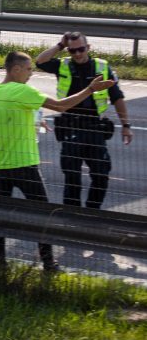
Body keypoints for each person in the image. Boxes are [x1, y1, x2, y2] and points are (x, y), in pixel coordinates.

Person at [0, 51, 115, 272]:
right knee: (43, 215)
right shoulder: (22, 90)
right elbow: (61, 106)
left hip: (1, 166)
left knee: (0, 217)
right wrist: (90, 89)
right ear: (16, 70)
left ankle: (0, 263)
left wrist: (8, 126)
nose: (32, 74)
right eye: (29, 69)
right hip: (25, 165)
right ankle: (49, 264)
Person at [35, 31, 132, 209]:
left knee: (101, 174)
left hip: (95, 128)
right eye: (73, 51)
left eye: (81, 49)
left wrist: (126, 125)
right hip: (71, 126)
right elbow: (39, 61)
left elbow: (117, 97)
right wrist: (60, 45)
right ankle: (72, 217)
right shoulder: (63, 65)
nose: (77, 54)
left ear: (88, 48)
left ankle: (92, 211)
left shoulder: (102, 67)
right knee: (72, 177)